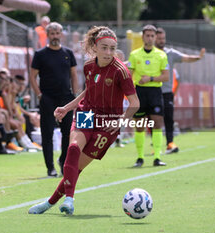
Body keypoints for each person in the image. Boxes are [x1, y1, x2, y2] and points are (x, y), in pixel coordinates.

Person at [28, 26, 139, 215]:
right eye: (104, 47)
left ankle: (49, 202)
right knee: (72, 148)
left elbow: (135, 103)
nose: (108, 52)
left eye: (112, 48)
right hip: (87, 113)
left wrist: (119, 122)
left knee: (76, 167)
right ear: (95, 47)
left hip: (107, 124)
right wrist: (68, 107)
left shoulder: (121, 71)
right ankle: (69, 200)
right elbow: (89, 91)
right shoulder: (88, 66)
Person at [30, 22, 79, 177]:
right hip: (48, 98)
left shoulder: (68, 53)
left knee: (67, 133)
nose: (55, 36)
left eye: (58, 33)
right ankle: (50, 167)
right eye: (52, 33)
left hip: (65, 97)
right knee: (47, 133)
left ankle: (63, 161)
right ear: (47, 34)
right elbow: (32, 77)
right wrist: (39, 95)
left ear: (61, 34)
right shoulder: (40, 54)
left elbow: (74, 75)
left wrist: (75, 96)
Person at [145, 27, 205, 154]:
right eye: (159, 38)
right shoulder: (147, 53)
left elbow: (186, 58)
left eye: (163, 38)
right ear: (154, 38)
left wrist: (199, 57)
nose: (162, 41)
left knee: (169, 118)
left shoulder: (170, 53)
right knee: (153, 120)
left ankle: (170, 143)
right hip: (152, 91)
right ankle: (155, 146)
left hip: (167, 92)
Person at [128, 25, 169, 167]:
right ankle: (139, 158)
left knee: (157, 123)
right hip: (139, 92)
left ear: (155, 37)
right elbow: (129, 75)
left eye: (152, 36)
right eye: (147, 35)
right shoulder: (134, 55)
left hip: (155, 93)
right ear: (143, 37)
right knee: (139, 125)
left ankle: (157, 157)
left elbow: (166, 76)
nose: (150, 38)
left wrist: (150, 79)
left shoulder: (161, 55)